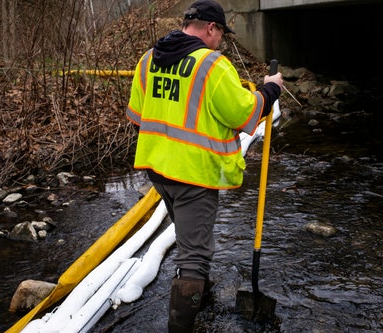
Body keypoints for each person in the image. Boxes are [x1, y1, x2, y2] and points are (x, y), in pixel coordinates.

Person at [126, 1, 283, 331]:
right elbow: (245, 115)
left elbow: (138, 117)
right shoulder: (212, 65)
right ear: (211, 28)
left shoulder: (148, 58)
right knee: (195, 256)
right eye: (221, 34)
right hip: (194, 175)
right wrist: (271, 89)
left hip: (157, 169)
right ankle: (182, 320)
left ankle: (200, 292)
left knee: (187, 240)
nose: (221, 42)